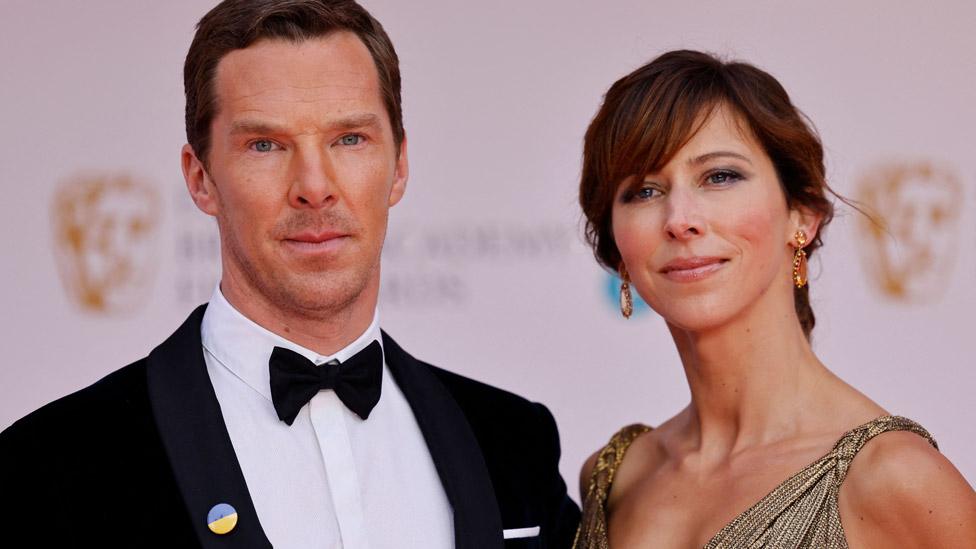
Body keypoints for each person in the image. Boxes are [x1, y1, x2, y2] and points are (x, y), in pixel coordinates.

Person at [0, 1, 580, 547]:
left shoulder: (511, 442)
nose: (314, 186)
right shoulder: (52, 465)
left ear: (398, 165)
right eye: (265, 145)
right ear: (200, 178)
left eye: (349, 139)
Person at [573, 49, 976, 548]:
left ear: (801, 217)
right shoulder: (612, 478)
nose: (680, 219)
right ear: (618, 251)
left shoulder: (895, 478)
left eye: (720, 176)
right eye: (644, 191)